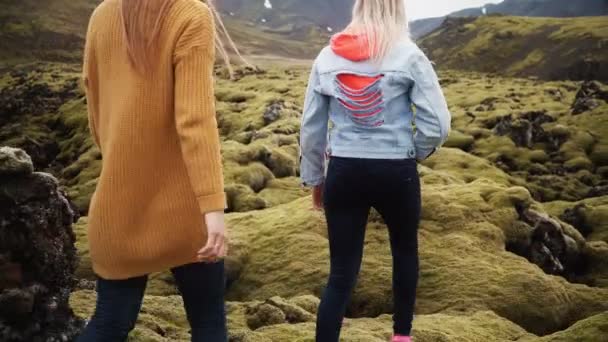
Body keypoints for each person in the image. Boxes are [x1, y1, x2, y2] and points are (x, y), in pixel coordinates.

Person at [79, 0, 238, 340]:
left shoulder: (102, 15)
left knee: (110, 323)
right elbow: (195, 122)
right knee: (209, 323)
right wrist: (212, 207)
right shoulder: (190, 13)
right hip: (186, 210)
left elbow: (95, 109)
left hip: (116, 205)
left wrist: (123, 159)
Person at [299, 0, 452, 341]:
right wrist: (416, 151)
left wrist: (316, 178)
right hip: (396, 170)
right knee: (404, 252)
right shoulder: (408, 54)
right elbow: (438, 124)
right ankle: (401, 336)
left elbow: (311, 127)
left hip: (344, 170)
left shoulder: (327, 57)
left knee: (340, 271)